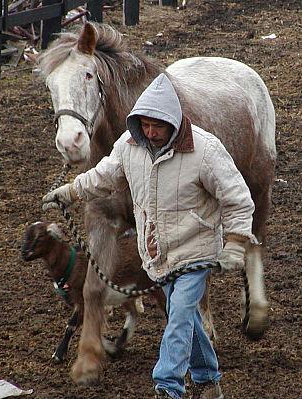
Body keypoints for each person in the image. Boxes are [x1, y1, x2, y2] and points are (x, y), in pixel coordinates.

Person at [42, 73, 256, 399]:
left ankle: (167, 386)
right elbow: (104, 176)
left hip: (195, 251)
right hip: (157, 255)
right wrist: (71, 190)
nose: (151, 132)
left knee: (180, 318)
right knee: (187, 320)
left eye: (158, 126)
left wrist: (237, 243)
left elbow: (237, 198)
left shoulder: (206, 150)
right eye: (144, 125)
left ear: (173, 121)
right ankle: (209, 382)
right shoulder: (130, 147)